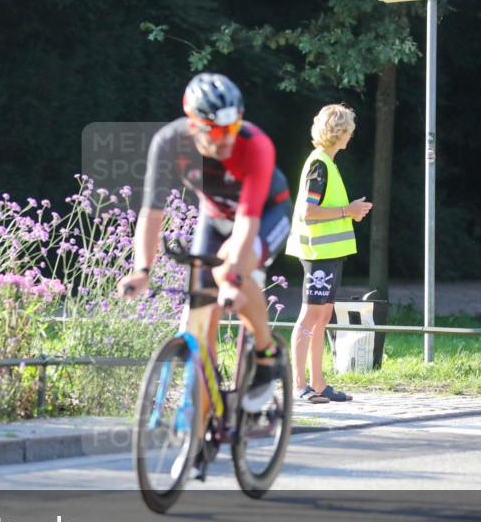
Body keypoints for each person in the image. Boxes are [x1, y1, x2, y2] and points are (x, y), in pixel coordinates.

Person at [117, 73, 292, 413]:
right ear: (195, 127)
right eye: (217, 131)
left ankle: (266, 354)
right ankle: (201, 430)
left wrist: (231, 280)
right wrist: (142, 270)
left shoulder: (255, 144)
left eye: (233, 128)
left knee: (230, 268)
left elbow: (246, 221)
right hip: (214, 218)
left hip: (266, 213)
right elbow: (152, 213)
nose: (227, 139)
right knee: (199, 315)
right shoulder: (169, 142)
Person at [286, 104, 372, 403]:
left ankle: (318, 384)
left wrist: (351, 212)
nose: (351, 135)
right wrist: (349, 210)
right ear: (339, 132)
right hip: (318, 253)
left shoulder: (328, 163)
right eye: (349, 130)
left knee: (321, 316)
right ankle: (299, 385)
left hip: (329, 253)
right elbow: (310, 213)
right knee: (310, 316)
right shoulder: (319, 164)